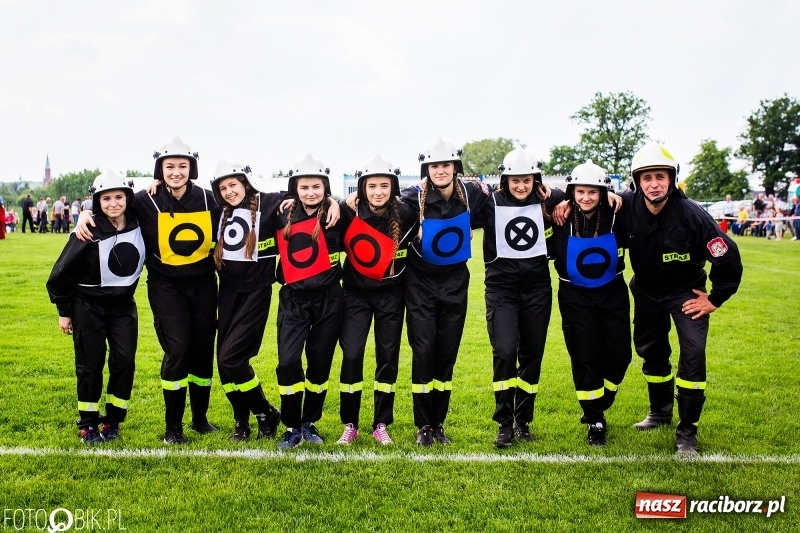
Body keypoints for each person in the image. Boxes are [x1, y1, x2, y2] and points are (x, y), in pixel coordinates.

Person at [76, 136, 221, 444]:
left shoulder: (210, 199)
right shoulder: (145, 199)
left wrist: (330, 200)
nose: (176, 172)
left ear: (192, 168)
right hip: (166, 286)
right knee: (178, 349)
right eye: (169, 167)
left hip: (204, 285)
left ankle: (199, 418)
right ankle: (172, 427)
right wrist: (85, 212)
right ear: (160, 169)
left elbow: (245, 204)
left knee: (202, 351)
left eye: (183, 166)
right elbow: (112, 204)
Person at [621, 142, 743, 456]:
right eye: (646, 178)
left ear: (672, 178)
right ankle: (659, 412)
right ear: (637, 182)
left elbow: (726, 256)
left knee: (693, 354)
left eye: (660, 176)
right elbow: (589, 201)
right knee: (651, 351)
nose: (654, 184)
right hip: (646, 290)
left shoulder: (693, 215)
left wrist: (715, 298)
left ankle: (687, 434)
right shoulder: (626, 203)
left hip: (685, 293)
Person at [211, 158, 338, 443]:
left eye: (234, 184)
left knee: (232, 358)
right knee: (225, 362)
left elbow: (307, 195)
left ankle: (273, 414)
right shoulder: (215, 210)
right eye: (224, 187)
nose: (230, 191)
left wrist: (334, 201)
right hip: (227, 292)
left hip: (258, 291)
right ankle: (244, 420)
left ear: (245, 182)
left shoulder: (269, 204)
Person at [401, 137, 491, 446]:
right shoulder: (412, 198)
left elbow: (513, 195)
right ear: (426, 169)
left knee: (446, 354)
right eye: (434, 166)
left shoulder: (474, 193)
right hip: (420, 287)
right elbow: (377, 204)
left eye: (445, 165)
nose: (440, 170)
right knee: (424, 350)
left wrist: (558, 195)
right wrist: (342, 201)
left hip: (455, 286)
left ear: (455, 167)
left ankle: (438, 423)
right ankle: (422, 425)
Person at [46, 170, 145, 443]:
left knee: (124, 362)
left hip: (124, 307)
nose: (113, 203)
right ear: (97, 201)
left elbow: (154, 195)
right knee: (90, 365)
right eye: (106, 199)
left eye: (119, 197)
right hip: (87, 307)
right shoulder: (87, 229)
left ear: (127, 198)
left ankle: (113, 421)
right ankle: (88, 423)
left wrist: (158, 179)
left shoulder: (140, 222)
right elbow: (59, 274)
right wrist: (64, 312)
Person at [469, 148, 555, 448]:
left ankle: (523, 422)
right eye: (515, 180)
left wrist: (612, 196)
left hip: (538, 291)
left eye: (527, 180)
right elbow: (457, 199)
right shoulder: (490, 203)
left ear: (536, 180)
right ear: (505, 180)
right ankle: (504, 423)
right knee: (505, 352)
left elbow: (581, 196)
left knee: (532, 356)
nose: (521, 186)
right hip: (501, 291)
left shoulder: (547, 201)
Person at [336, 155, 418, 445]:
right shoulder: (348, 212)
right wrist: (334, 203)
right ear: (362, 188)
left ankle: (381, 423)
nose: (378, 192)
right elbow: (320, 207)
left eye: (384, 185)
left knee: (387, 359)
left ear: (393, 187)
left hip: (391, 296)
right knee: (353, 354)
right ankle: (350, 423)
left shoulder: (408, 212)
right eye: (371, 186)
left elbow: (427, 190)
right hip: (355, 295)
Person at [551, 160, 632, 447]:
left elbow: (642, 194)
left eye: (593, 192)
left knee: (621, 355)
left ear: (603, 192)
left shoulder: (618, 213)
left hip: (613, 295)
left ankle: (604, 398)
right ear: (571, 191)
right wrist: (561, 199)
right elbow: (537, 191)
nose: (586, 198)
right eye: (580, 192)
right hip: (575, 298)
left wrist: (615, 194)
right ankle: (594, 419)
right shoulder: (559, 216)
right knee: (585, 357)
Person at [274, 154, 346, 449]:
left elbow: (375, 204)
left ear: (325, 187)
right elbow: (250, 194)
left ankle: (309, 422)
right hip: (293, 299)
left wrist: (340, 203)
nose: (310, 192)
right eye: (303, 187)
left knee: (319, 363)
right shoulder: (282, 212)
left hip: (329, 299)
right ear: (295, 189)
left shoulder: (336, 214)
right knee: (288, 361)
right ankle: (290, 425)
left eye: (316, 186)